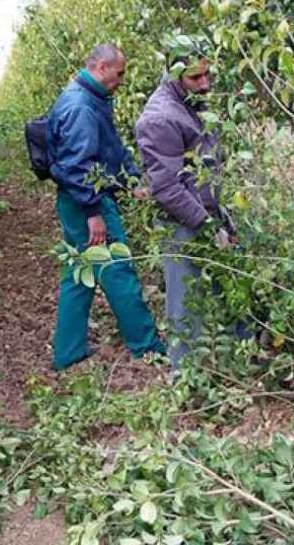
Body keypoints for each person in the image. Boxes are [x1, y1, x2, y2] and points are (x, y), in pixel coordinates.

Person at [47, 43, 164, 370]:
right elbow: (78, 167)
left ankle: (68, 352)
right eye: (120, 72)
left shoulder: (91, 100)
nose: (122, 80)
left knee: (79, 272)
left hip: (77, 202)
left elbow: (108, 149)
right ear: (100, 66)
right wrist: (93, 213)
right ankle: (148, 348)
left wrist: (132, 181)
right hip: (87, 203)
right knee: (117, 270)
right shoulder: (80, 107)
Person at [135, 47, 236, 368]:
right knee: (184, 302)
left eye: (207, 74)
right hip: (181, 222)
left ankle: (240, 360)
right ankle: (184, 379)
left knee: (233, 284)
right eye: (196, 77)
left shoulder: (194, 103)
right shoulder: (159, 118)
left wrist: (223, 220)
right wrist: (206, 226)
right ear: (176, 76)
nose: (205, 83)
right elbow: (166, 188)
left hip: (211, 213)